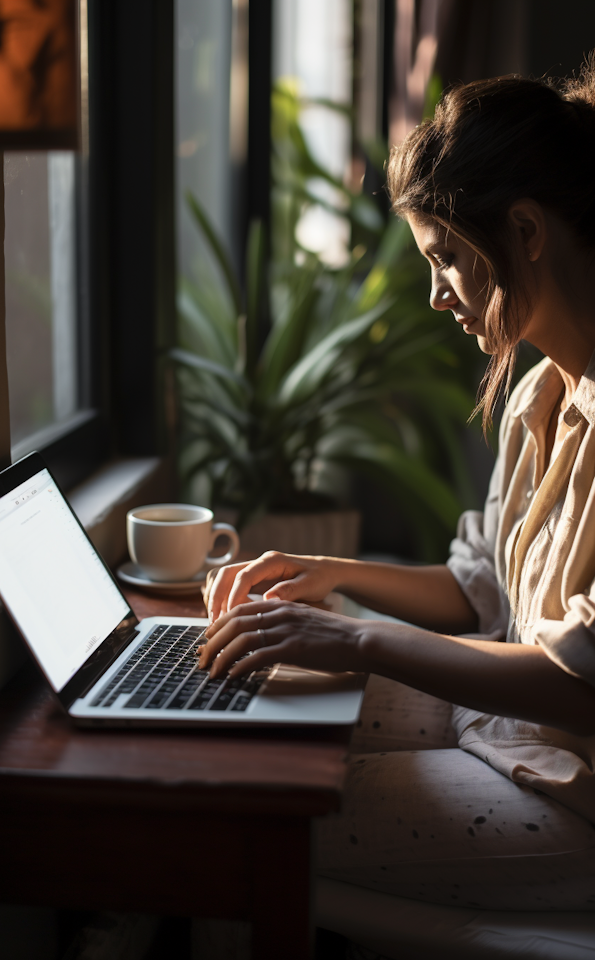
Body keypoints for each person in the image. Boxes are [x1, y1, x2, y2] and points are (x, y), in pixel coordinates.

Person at [198, 60, 595, 911]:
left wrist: (359, 639)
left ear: (525, 231)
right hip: (504, 734)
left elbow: (578, 684)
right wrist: (333, 577)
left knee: (247, 816)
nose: (434, 293)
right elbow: (477, 587)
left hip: (571, 792)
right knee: (246, 715)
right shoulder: (541, 392)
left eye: (446, 258)